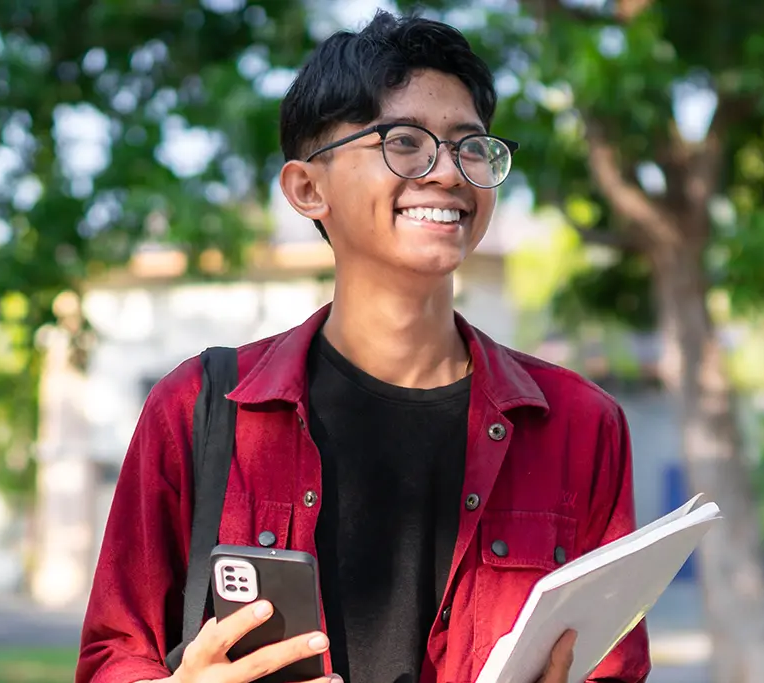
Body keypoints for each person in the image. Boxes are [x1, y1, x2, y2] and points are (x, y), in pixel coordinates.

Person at [75, 10, 651, 683]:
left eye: (470, 146)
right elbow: (113, 654)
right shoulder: (200, 409)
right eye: (404, 142)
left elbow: (614, 665)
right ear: (307, 188)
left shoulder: (581, 425)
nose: (447, 173)